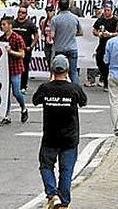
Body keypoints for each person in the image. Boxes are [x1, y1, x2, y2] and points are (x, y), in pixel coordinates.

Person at [32, 54, 87, 209]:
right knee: (66, 170)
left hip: (50, 136)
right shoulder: (74, 89)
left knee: (46, 166)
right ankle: (64, 202)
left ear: (52, 70)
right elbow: (83, 101)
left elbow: (35, 100)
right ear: (67, 70)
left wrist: (51, 83)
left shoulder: (45, 88)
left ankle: (52, 194)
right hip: (70, 137)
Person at [0, 16, 29, 126]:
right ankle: (6, 115)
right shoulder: (1, 39)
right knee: (5, 94)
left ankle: (23, 108)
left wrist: (11, 51)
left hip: (15, 69)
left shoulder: (17, 38)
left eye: (4, 24)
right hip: (5, 70)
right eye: (1, 24)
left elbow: (22, 54)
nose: (2, 26)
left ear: (10, 25)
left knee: (16, 92)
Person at [50, 0, 82, 85]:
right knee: (73, 71)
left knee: (58, 71)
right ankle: (76, 89)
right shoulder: (75, 18)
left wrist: (59, 36)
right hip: (72, 48)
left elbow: (52, 35)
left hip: (59, 48)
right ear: (68, 6)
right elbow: (80, 32)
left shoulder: (55, 19)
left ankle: (59, 88)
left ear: (59, 7)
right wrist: (71, 34)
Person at [12, 5, 39, 94]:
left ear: (26, 14)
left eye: (23, 13)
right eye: (19, 12)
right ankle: (13, 85)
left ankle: (23, 86)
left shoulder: (30, 24)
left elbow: (36, 35)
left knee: (24, 68)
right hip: (14, 50)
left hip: (25, 49)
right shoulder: (13, 23)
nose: (20, 14)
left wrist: (31, 46)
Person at [91, 2, 118, 89]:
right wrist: (99, 34)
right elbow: (94, 30)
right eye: (105, 10)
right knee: (99, 61)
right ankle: (104, 77)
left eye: (108, 10)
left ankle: (107, 82)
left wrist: (110, 34)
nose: (106, 12)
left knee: (109, 64)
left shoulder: (115, 20)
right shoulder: (101, 20)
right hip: (102, 45)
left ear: (111, 11)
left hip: (112, 45)